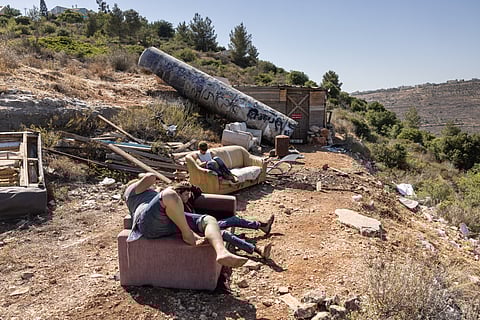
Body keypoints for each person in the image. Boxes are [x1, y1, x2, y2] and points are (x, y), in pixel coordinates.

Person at [124, 172, 248, 268]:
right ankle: (188, 234)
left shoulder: (148, 195)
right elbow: (151, 177)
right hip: (148, 223)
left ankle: (221, 252)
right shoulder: (130, 191)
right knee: (169, 195)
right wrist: (143, 177)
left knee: (209, 219)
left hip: (167, 222)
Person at [180, 182, 275, 259]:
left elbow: (198, 192)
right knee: (225, 233)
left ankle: (262, 226)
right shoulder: (178, 209)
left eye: (188, 194)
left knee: (233, 219)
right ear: (178, 195)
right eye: (185, 194)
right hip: (201, 229)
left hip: (208, 224)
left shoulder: (188, 201)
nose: (188, 196)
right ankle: (258, 250)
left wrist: (190, 186)